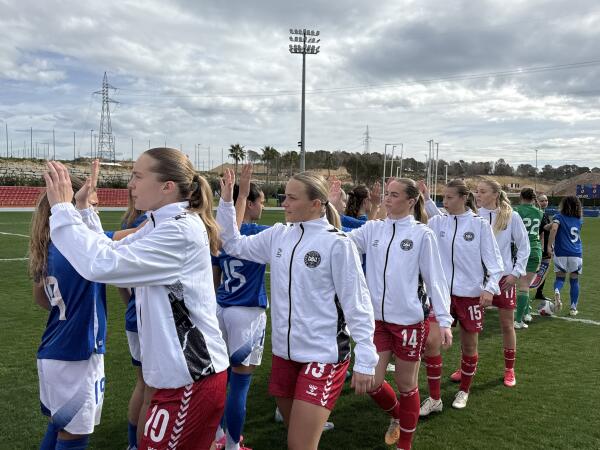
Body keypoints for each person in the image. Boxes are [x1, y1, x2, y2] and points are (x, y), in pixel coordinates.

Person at [43, 148, 229, 450]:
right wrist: (82, 211)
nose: (130, 185)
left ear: (167, 186)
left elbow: (100, 264)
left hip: (191, 378)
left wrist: (62, 211)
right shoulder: (160, 223)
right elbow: (109, 252)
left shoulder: (179, 230)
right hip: (181, 379)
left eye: (138, 177)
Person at [217, 169, 378, 450]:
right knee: (298, 438)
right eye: (284, 197)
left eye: (291, 198)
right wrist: (228, 200)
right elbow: (232, 244)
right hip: (284, 355)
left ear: (316, 204)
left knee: (299, 444)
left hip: (323, 356)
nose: (284, 204)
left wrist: (366, 355)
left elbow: (358, 302)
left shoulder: (337, 243)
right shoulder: (279, 235)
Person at [342, 178, 452, 449]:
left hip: (408, 323)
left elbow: (435, 280)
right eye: (386, 194)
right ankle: (398, 415)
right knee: (372, 382)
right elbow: (341, 243)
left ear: (411, 201)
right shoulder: (373, 229)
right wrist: (332, 208)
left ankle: (406, 443)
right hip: (376, 322)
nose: (387, 199)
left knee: (406, 384)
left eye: (394, 195)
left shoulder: (421, 234)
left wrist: (445, 321)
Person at [31, 161, 107, 450]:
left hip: (53, 349)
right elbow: (123, 243)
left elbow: (41, 298)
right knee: (73, 438)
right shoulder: (83, 252)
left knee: (58, 427)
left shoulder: (50, 246)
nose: (95, 212)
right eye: (91, 206)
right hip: (77, 355)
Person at [419, 179, 504, 412]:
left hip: (470, 296)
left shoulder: (479, 225)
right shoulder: (437, 222)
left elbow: (495, 263)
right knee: (431, 344)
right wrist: (424, 199)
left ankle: (464, 390)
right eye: (442, 197)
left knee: (469, 347)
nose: (444, 201)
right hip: (441, 295)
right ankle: (434, 398)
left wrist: (489, 287)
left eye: (448, 197)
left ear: (463, 198)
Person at [449, 179, 528, 388]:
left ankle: (509, 369)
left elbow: (524, 247)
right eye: (476, 191)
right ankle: (464, 366)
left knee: (506, 325)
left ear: (495, 194)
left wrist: (515, 273)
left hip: (503, 279)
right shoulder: (473, 217)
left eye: (482, 192)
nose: (478, 195)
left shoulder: (512, 216)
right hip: (476, 281)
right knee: (468, 327)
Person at [212, 166, 268, 450]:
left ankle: (217, 436)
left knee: (220, 379)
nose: (263, 206)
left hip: (221, 308)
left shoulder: (217, 234)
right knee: (240, 384)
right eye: (259, 201)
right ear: (248, 203)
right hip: (246, 313)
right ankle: (232, 445)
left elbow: (214, 278)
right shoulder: (257, 233)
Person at [547, 196, 584, 315]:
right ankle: (573, 308)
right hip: (576, 253)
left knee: (560, 278)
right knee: (574, 280)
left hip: (561, 252)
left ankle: (557, 291)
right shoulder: (579, 220)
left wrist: (549, 245)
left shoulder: (558, 217)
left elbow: (553, 228)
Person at [514, 188, 544, 328]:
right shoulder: (539, 212)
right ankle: (525, 313)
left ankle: (518, 320)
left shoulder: (516, 211)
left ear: (521, 196)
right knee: (525, 285)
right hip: (535, 248)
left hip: (519, 249)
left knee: (522, 285)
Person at [534, 194, 552, 302]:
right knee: (536, 271)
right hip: (539, 246)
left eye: (546, 200)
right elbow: (541, 232)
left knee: (543, 271)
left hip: (546, 246)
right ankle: (528, 291)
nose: (545, 202)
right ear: (537, 202)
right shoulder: (537, 214)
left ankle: (539, 292)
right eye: (542, 201)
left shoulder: (545, 214)